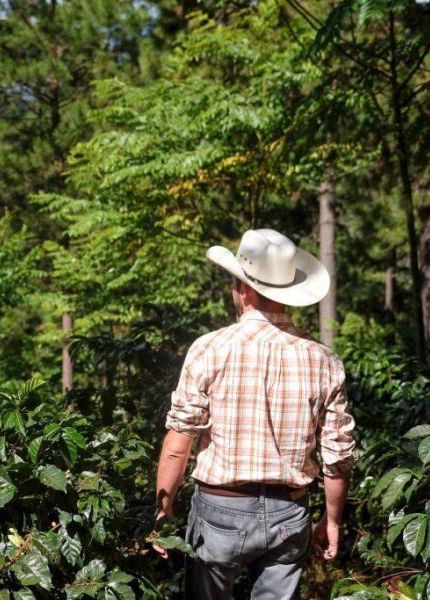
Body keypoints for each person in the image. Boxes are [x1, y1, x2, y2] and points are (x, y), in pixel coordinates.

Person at [152, 228, 357, 600]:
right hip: (289, 511)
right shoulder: (324, 360)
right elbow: (338, 455)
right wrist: (332, 519)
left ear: (243, 289)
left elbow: (179, 443)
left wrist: (163, 509)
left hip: (220, 509)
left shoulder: (209, 349)